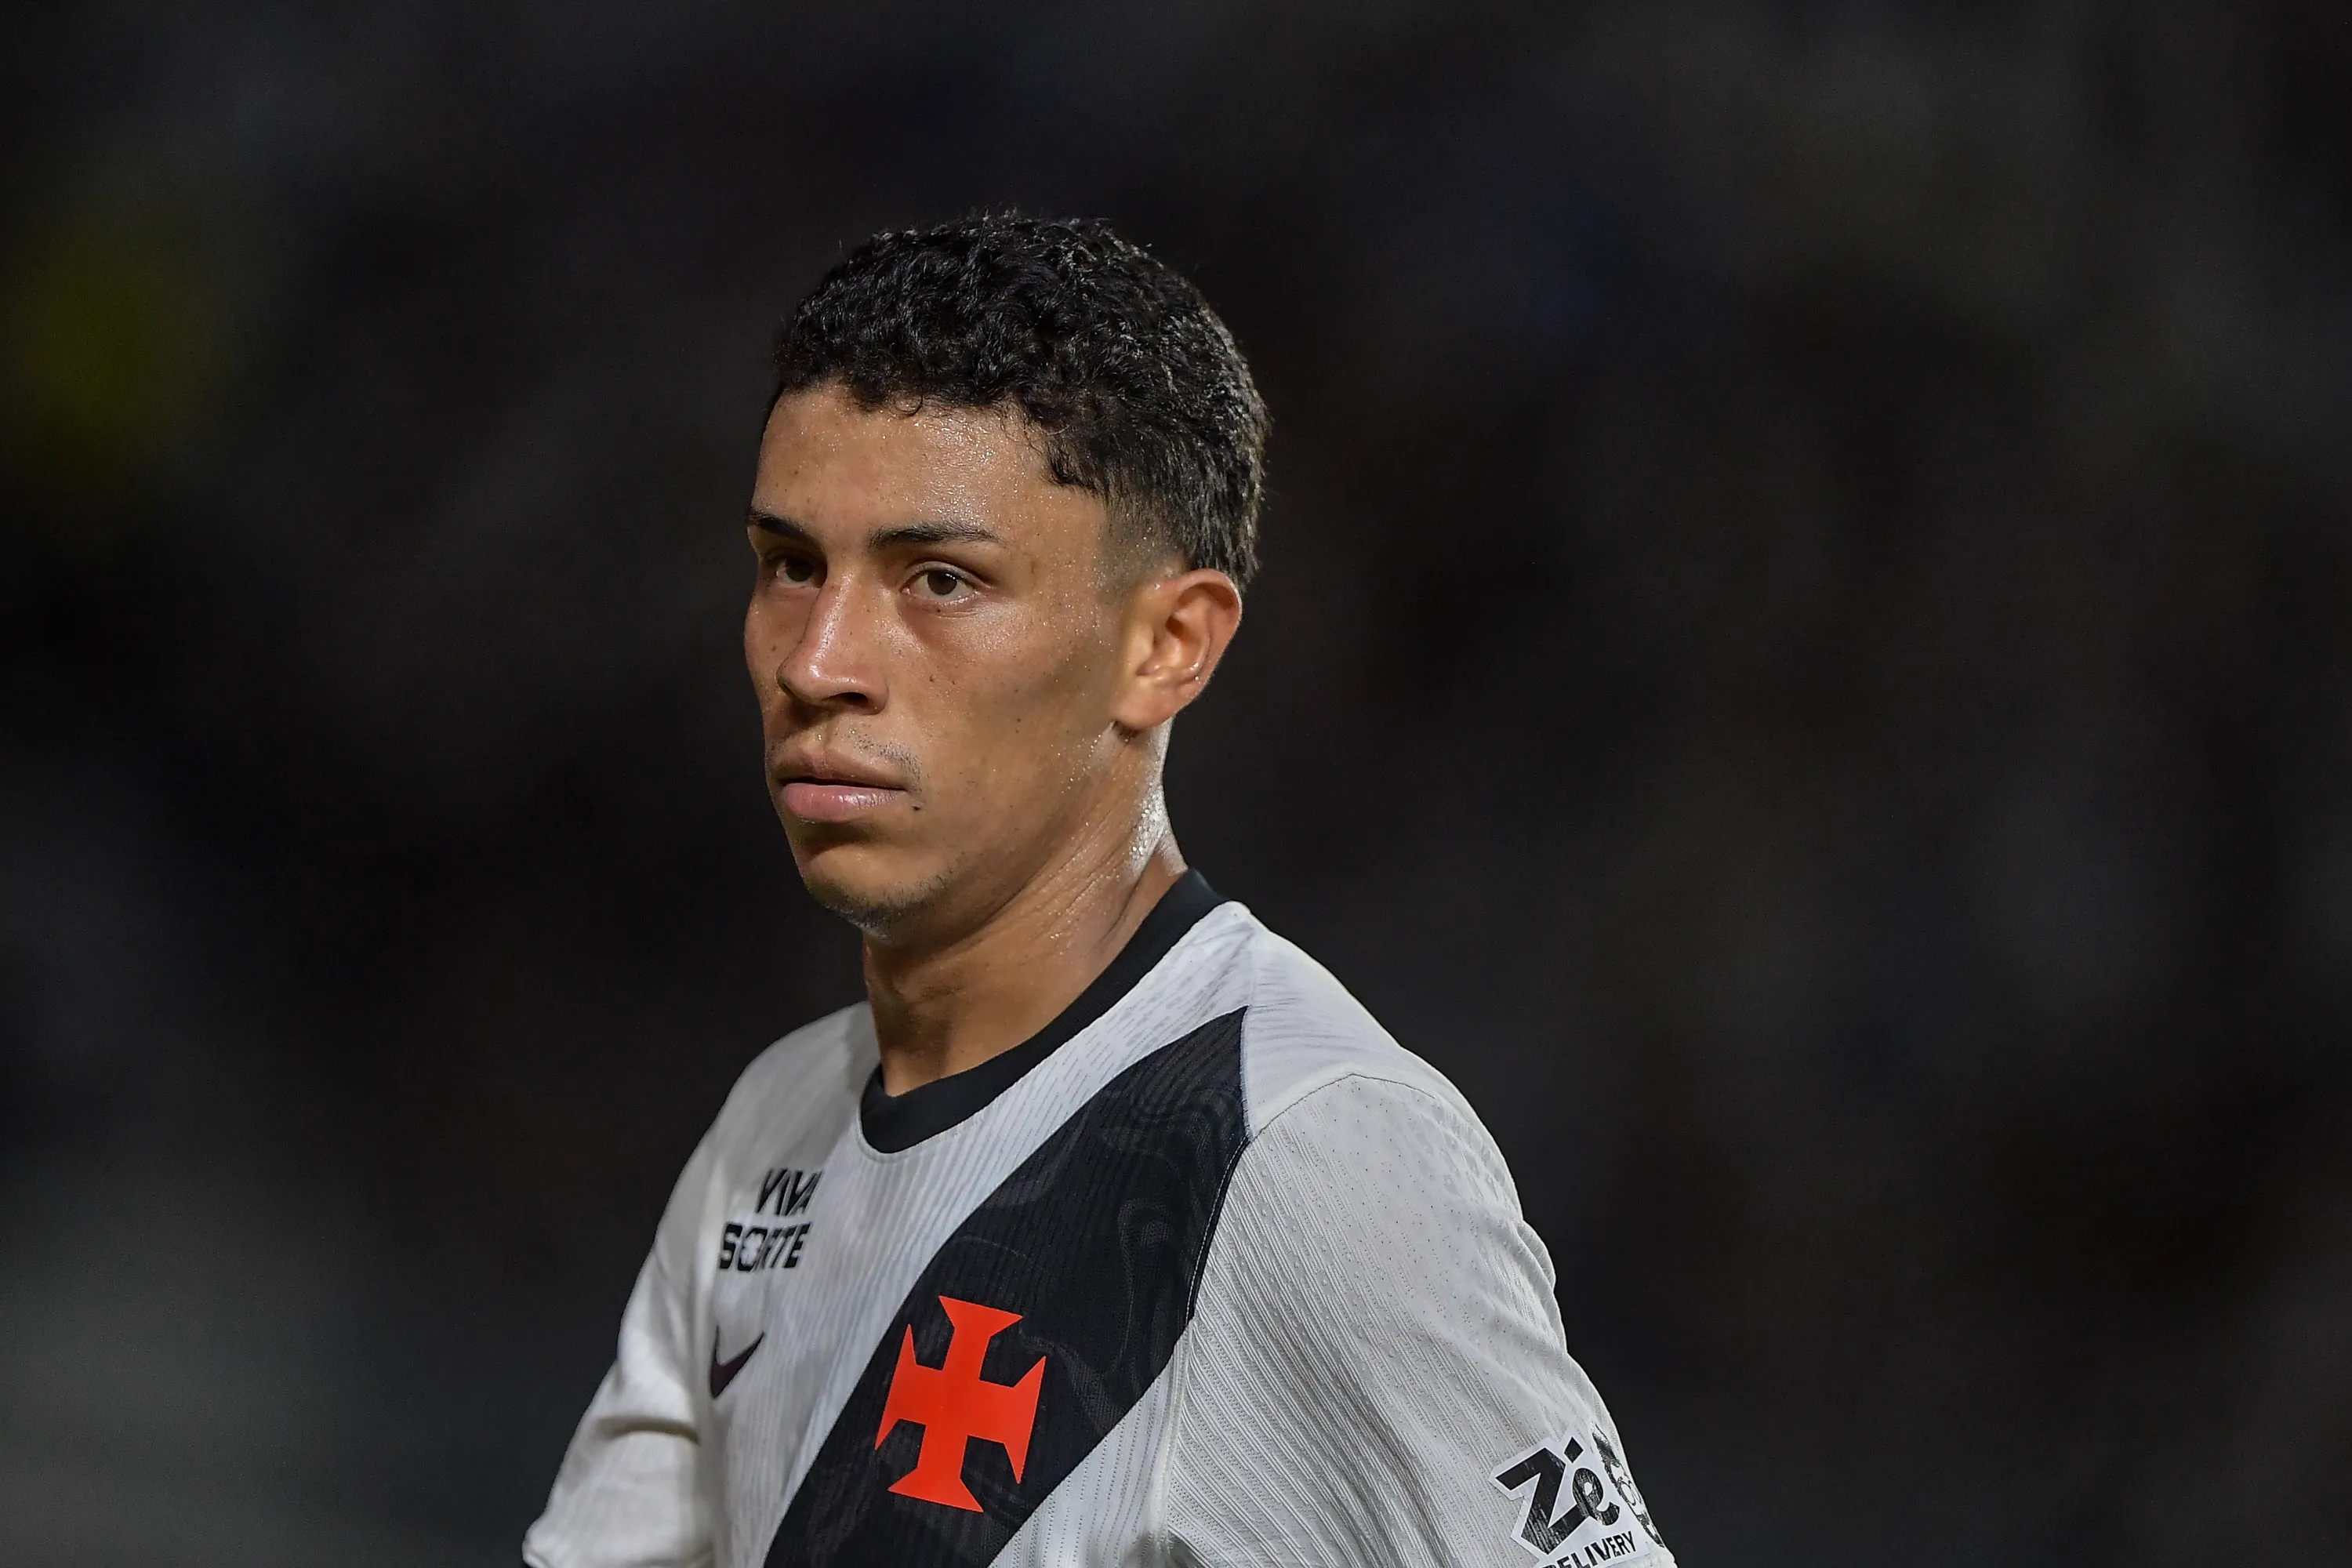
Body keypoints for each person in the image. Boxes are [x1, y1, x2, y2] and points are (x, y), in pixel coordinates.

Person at [524, 214, 1673, 1568]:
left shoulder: (1302, 1153)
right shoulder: (770, 1133)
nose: (819, 658)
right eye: (791, 565)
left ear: (1167, 647)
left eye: (939, 580)